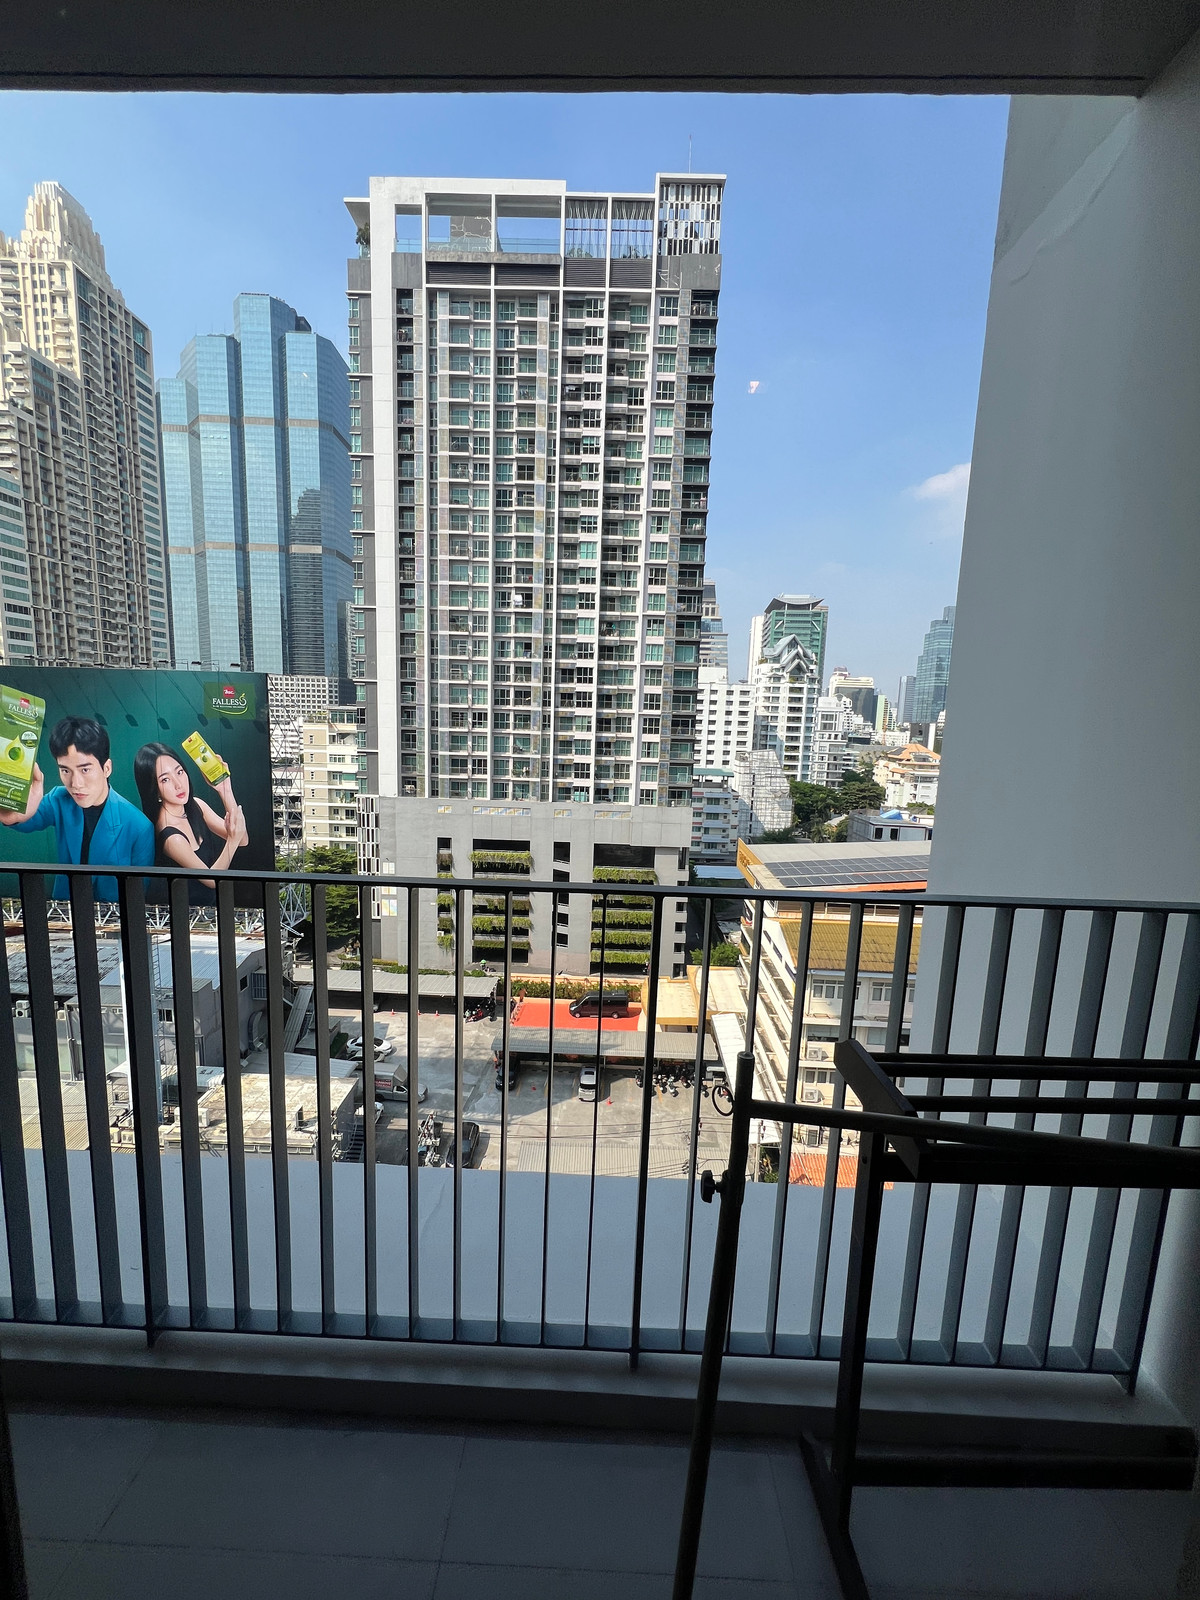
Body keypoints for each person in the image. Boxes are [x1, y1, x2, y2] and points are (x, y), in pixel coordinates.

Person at [0, 716, 154, 901]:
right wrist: (13, 811)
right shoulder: (59, 798)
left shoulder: (140, 827)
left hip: (113, 916)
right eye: (65, 770)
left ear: (106, 768)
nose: (75, 783)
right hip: (64, 912)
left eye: (85, 770)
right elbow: (21, 820)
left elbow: (137, 896)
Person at [132, 741, 248, 905]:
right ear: (154, 789)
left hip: (211, 907)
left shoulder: (197, 805)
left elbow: (242, 840)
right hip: (187, 913)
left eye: (179, 772)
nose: (178, 784)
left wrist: (225, 790)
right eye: (165, 780)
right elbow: (211, 880)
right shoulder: (171, 837)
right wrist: (232, 841)